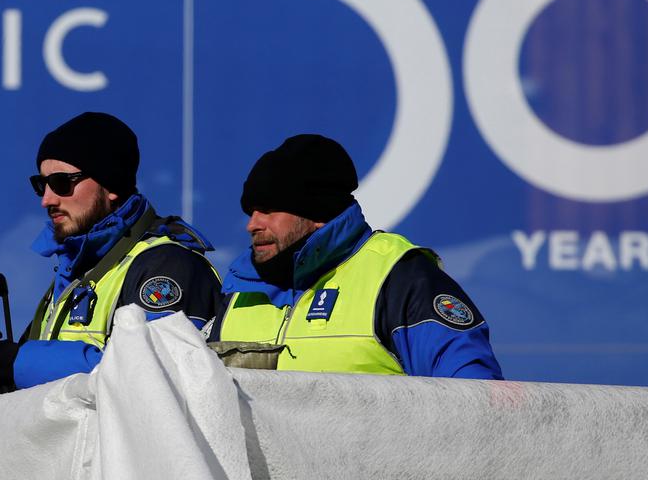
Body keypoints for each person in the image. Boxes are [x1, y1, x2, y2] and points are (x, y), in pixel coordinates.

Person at [0, 112, 224, 398]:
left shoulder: (168, 265)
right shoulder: (75, 273)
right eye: (41, 184)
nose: (47, 199)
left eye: (61, 182)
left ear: (110, 184)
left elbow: (153, 373)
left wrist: (20, 363)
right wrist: (7, 381)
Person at [209, 134, 504, 379]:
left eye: (269, 210)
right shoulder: (240, 289)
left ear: (317, 214)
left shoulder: (397, 277)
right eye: (251, 212)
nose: (252, 224)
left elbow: (473, 399)